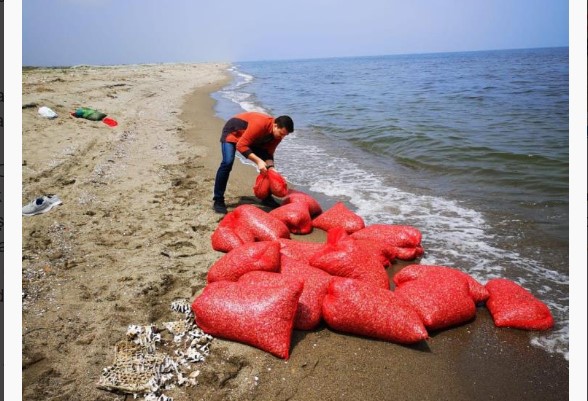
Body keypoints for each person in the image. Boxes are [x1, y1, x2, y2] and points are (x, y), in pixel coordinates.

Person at [212, 111, 294, 214]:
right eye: (281, 134)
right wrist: (258, 161)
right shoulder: (260, 124)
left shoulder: (277, 135)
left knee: (268, 168)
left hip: (252, 139)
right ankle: (218, 200)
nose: (282, 137)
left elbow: (268, 154)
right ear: (275, 125)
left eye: (284, 135)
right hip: (233, 132)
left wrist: (271, 168)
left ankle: (266, 198)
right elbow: (241, 146)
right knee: (227, 163)